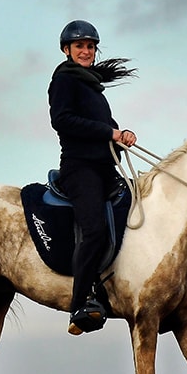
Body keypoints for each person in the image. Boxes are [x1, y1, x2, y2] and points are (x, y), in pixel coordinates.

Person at [48, 20, 138, 336]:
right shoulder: (63, 80)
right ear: (66, 50)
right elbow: (62, 120)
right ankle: (79, 305)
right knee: (95, 231)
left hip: (104, 168)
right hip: (79, 168)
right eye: (79, 46)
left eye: (90, 46)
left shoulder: (91, 85)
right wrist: (108, 132)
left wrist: (121, 134)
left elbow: (104, 122)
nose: (86, 51)